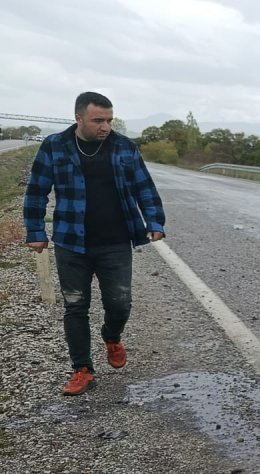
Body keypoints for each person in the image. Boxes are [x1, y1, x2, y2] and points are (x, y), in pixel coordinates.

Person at [24, 92, 167, 395]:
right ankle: (82, 369)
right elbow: (36, 191)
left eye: (109, 120)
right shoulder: (55, 146)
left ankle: (111, 335)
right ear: (79, 118)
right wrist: (35, 231)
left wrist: (155, 222)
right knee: (75, 306)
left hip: (115, 242)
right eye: (98, 120)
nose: (105, 126)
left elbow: (145, 188)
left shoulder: (124, 147)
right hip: (70, 242)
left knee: (120, 303)